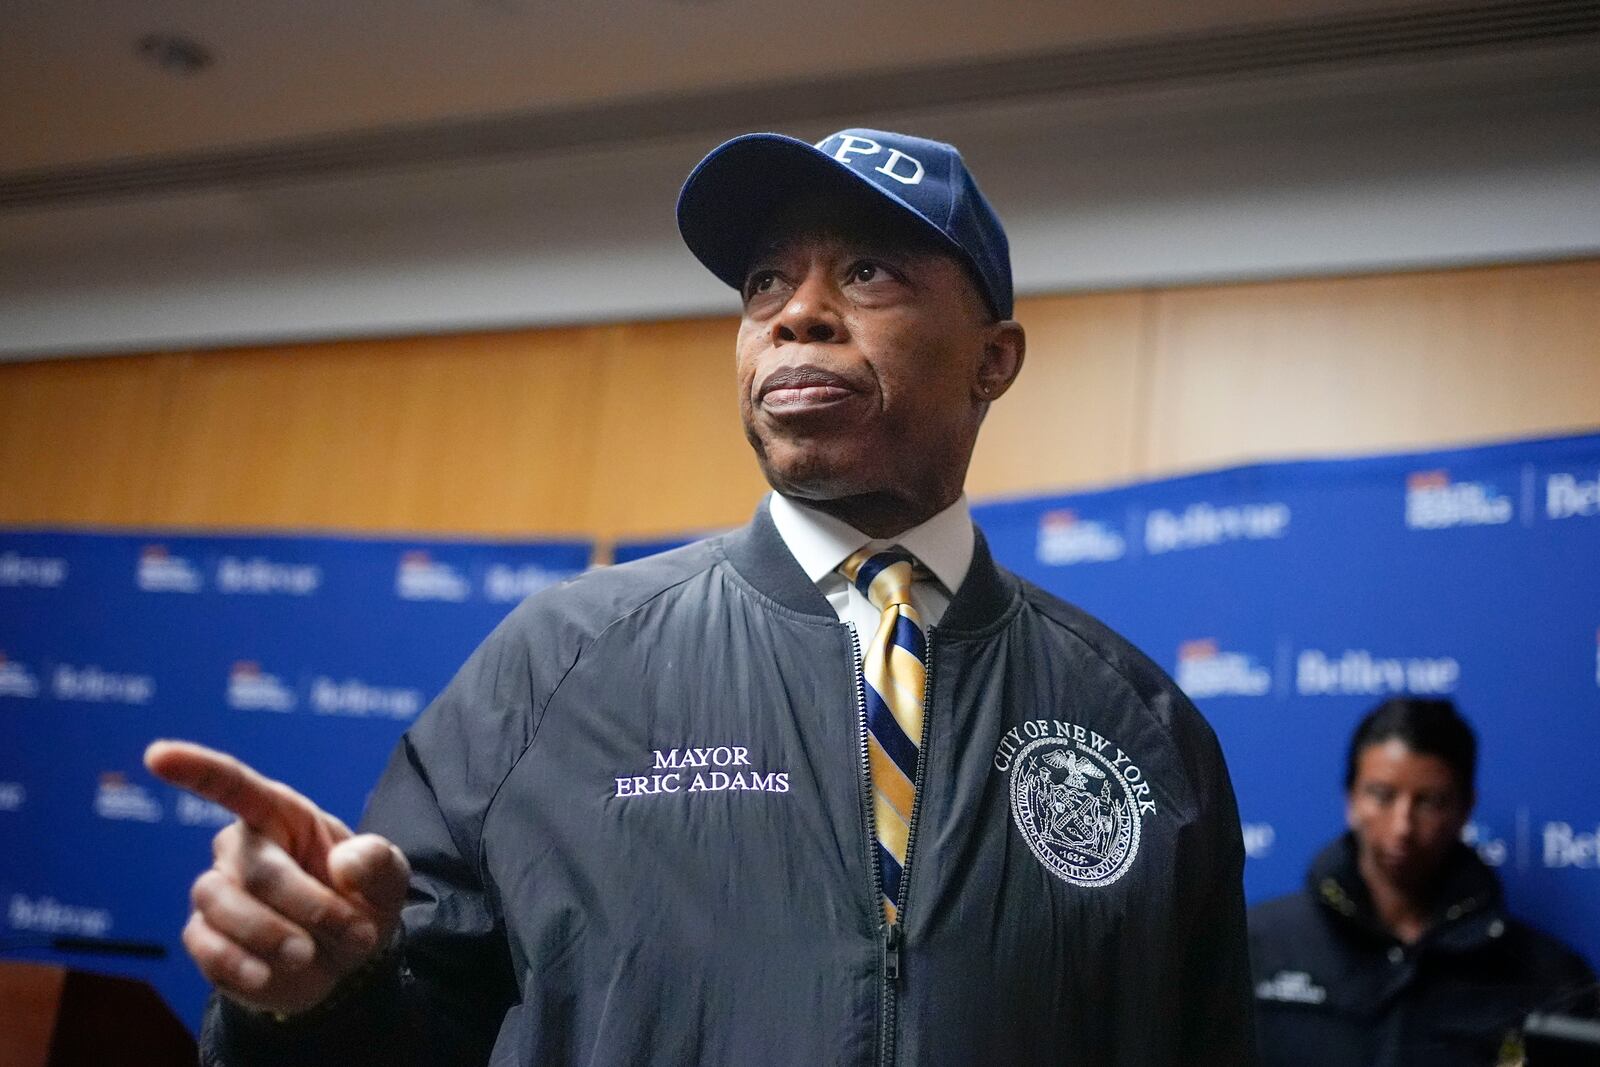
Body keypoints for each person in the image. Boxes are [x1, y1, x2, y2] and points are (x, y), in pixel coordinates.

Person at [147, 127, 1257, 1066]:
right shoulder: (557, 661)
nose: (796, 314)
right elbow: (403, 1022)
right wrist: (308, 998)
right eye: (766, 282)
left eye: (868, 273)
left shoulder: (1140, 724)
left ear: (994, 358)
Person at [1249, 697, 1596, 1067]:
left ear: (1465, 809)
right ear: (1351, 798)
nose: (1403, 827)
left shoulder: (1548, 978)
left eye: (1429, 802)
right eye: (1382, 795)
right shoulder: (1258, 947)